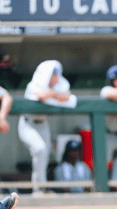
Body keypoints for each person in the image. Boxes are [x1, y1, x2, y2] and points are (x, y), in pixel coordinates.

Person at [18, 60, 77, 195]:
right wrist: (55, 95)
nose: (57, 77)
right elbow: (41, 95)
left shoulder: (58, 86)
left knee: (45, 155)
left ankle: (41, 189)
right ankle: (38, 189)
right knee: (40, 149)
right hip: (28, 124)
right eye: (53, 74)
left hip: (43, 124)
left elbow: (67, 96)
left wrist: (53, 94)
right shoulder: (32, 85)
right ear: (46, 75)